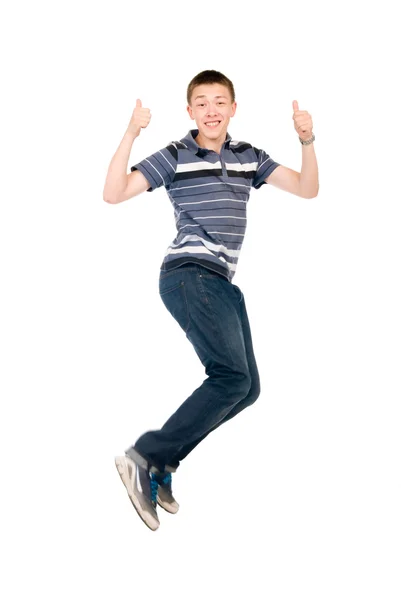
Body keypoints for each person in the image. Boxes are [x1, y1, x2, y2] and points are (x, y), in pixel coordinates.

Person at [103, 70, 319, 531]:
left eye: (219, 102)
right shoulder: (177, 155)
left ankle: (162, 465)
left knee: (246, 387)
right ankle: (146, 455)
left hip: (221, 281)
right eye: (201, 103)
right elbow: (114, 193)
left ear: (233, 108)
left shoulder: (248, 157)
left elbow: (307, 188)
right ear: (190, 112)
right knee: (229, 376)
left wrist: (307, 139)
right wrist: (131, 131)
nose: (211, 110)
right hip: (188, 274)